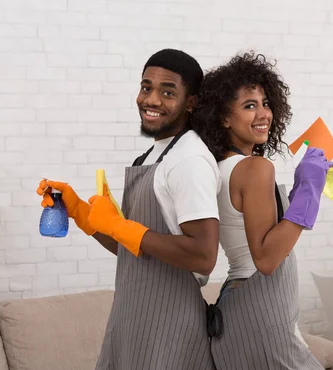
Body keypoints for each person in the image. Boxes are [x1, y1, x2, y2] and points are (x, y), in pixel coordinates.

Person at [36, 49, 220, 370]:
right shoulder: (149, 157)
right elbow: (132, 248)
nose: (151, 99)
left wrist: (120, 226)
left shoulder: (190, 160)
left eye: (167, 92)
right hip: (132, 315)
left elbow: (203, 255)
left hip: (170, 327)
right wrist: (79, 210)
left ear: (190, 102)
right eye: (146, 87)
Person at [191, 51, 330, 369]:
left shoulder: (221, 167)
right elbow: (266, 259)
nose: (263, 114)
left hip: (237, 308)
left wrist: (298, 193)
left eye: (266, 103)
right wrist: (309, 191)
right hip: (261, 305)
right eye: (249, 105)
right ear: (224, 117)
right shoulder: (256, 168)